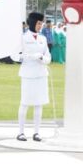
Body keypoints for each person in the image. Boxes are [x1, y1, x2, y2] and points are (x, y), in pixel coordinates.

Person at [16, 12, 51, 142]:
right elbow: (15, 56)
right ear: (32, 23)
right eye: (38, 23)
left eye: (41, 23)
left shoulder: (43, 39)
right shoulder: (23, 38)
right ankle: (21, 132)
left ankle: (37, 132)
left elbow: (48, 57)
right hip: (28, 74)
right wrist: (30, 56)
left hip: (41, 74)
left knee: (39, 104)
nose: (40, 26)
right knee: (25, 103)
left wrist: (42, 57)